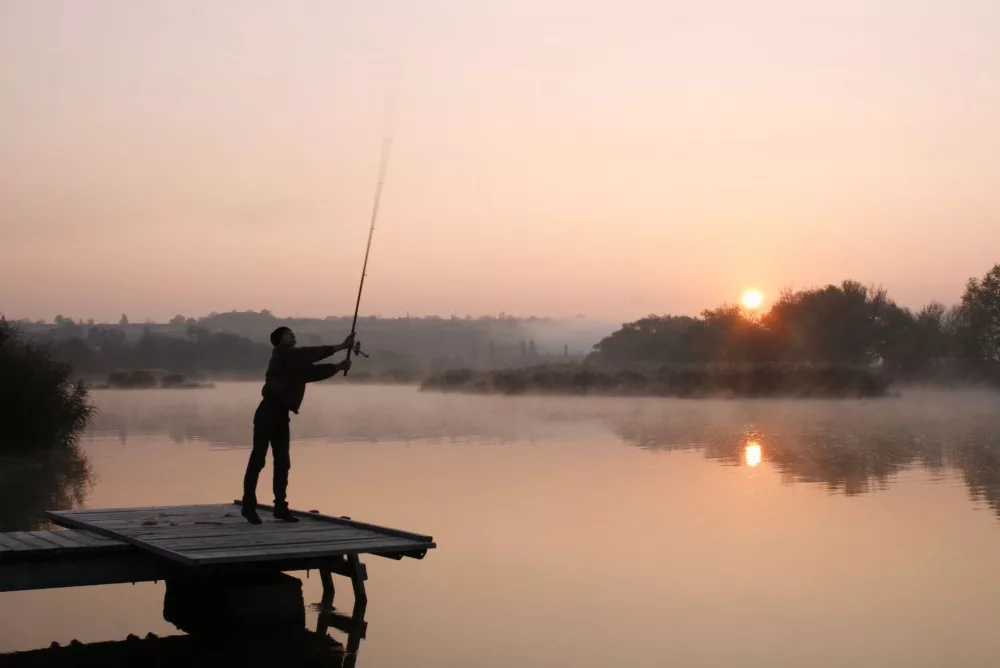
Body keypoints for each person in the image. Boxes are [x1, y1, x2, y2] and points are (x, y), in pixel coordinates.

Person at [241, 326, 355, 524]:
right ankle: (248, 507)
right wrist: (342, 346)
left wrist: (337, 367)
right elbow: (309, 355)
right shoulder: (283, 354)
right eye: (288, 333)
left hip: (281, 414)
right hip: (267, 413)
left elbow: (311, 372)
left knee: (282, 462)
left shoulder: (293, 361)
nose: (293, 335)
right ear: (279, 340)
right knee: (258, 460)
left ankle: (280, 508)